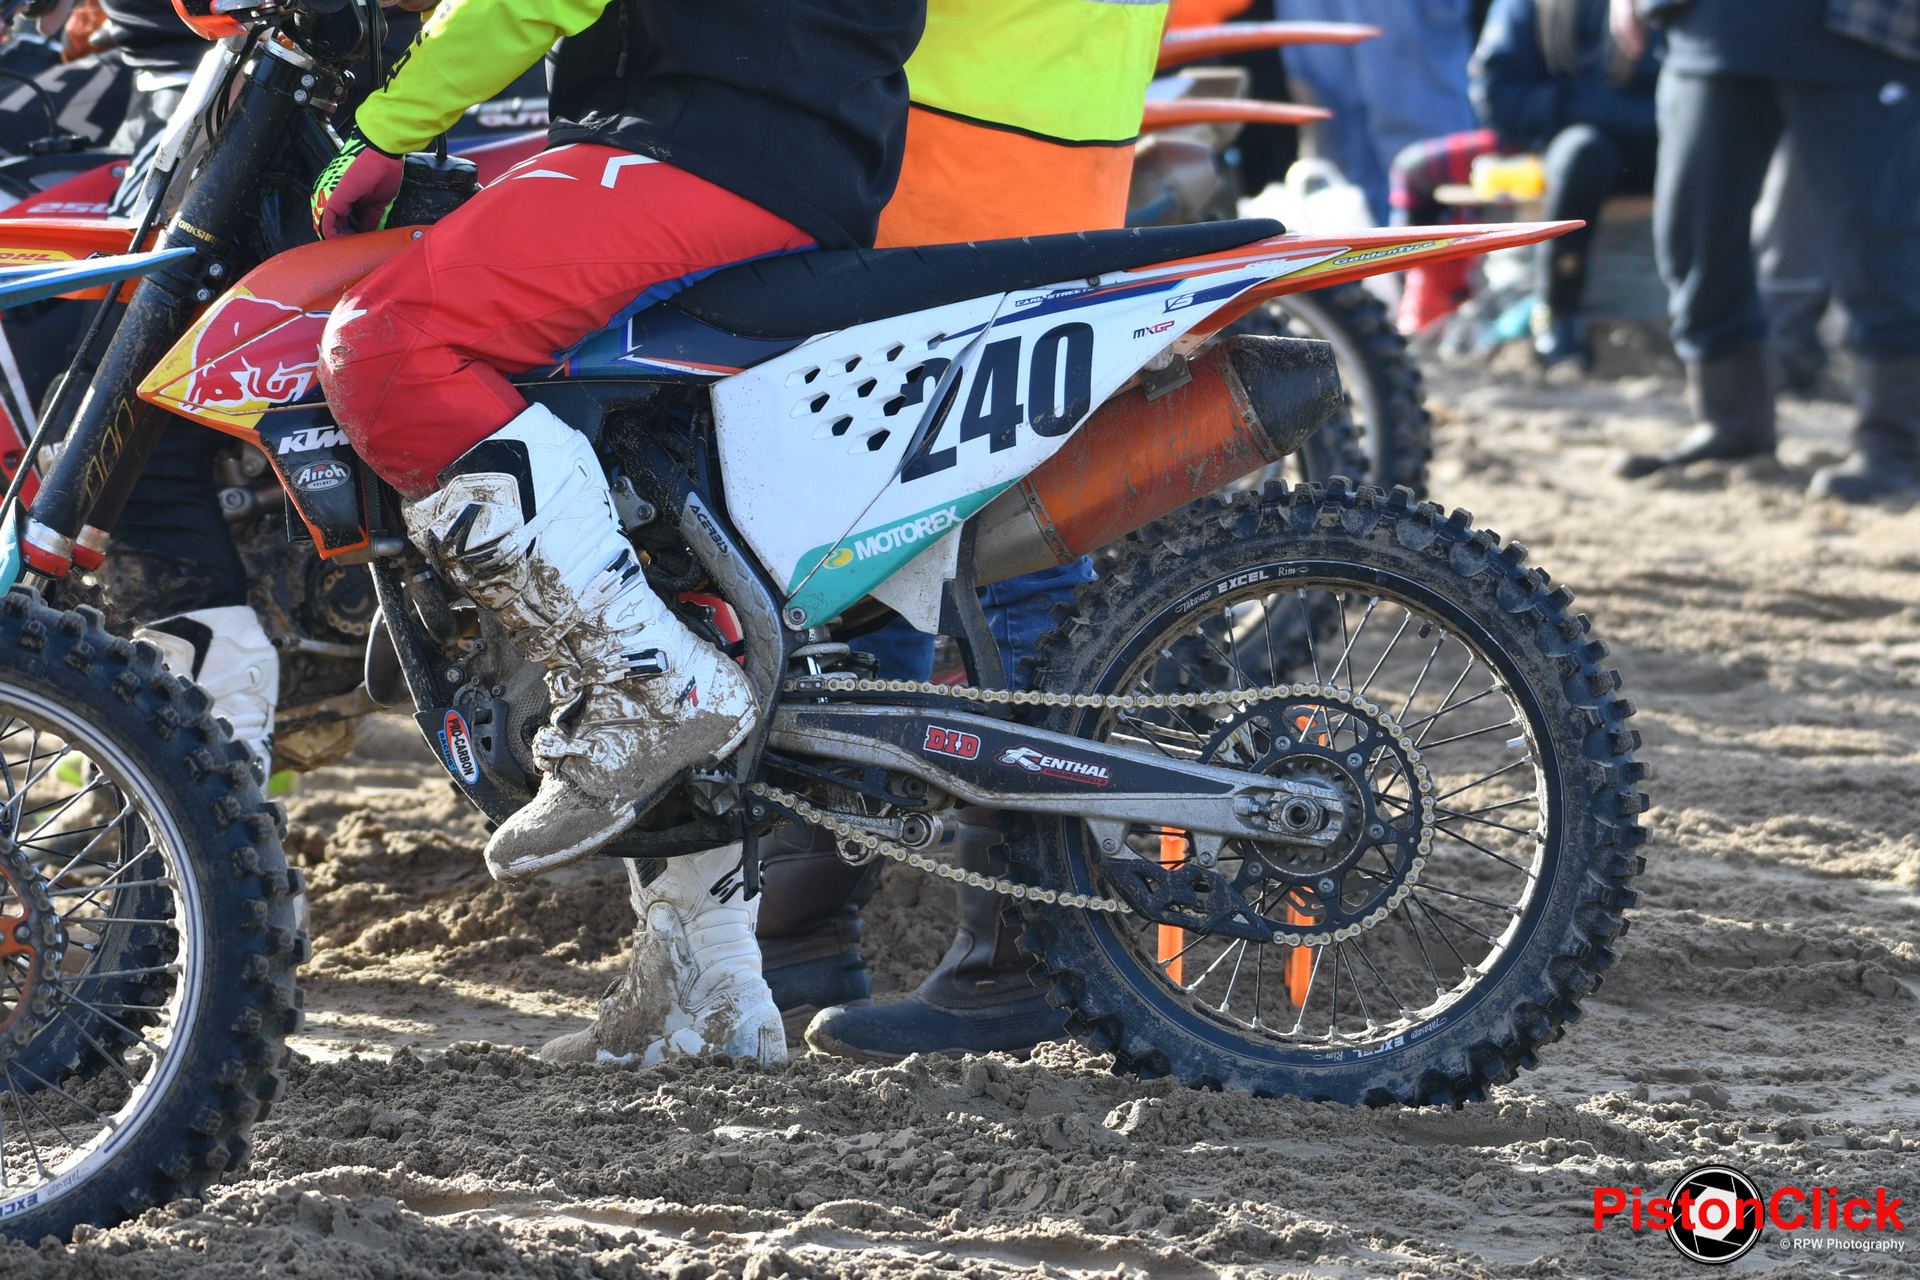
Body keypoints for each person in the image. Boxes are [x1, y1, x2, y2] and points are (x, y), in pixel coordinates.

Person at [538, 0, 1172, 1070]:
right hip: (1049, 150)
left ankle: (1024, 950)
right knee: (871, 546)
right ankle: (802, 919)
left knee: (952, 564)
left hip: (938, 162)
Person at [313, 0, 924, 1067]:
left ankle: (645, 678)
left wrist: (387, 125)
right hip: (791, 133)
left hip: (708, 141)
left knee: (386, 343)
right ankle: (717, 986)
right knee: (653, 542)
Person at [1614, 0, 1920, 497]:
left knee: (1878, 247)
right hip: (1707, 25)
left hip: (1863, 29)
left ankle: (1895, 445)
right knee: (1693, 235)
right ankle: (1730, 423)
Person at [1390, 0, 1660, 359]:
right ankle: (1436, 300)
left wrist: (1601, 110)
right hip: (1558, 145)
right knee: (1415, 167)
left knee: (1587, 151)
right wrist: (1582, 106)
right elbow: (1495, 94)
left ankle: (1558, 310)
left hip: (1656, 150)